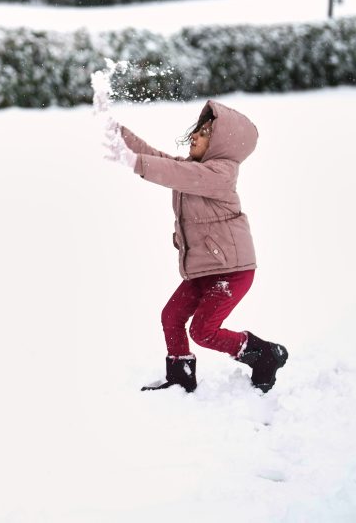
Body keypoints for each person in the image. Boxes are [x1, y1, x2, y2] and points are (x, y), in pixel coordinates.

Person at [103, 101, 288, 393]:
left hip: (233, 271)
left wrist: (131, 161)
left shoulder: (220, 174)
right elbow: (159, 159)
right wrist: (117, 132)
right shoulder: (193, 168)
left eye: (204, 133)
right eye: (197, 130)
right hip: (205, 269)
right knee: (172, 316)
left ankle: (265, 354)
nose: (195, 136)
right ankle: (180, 376)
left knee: (203, 331)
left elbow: (175, 174)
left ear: (221, 144)